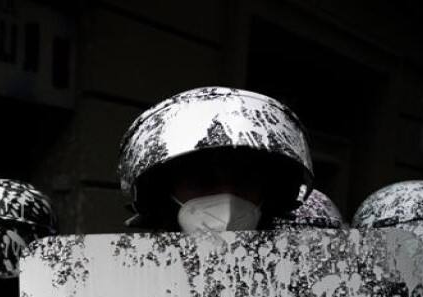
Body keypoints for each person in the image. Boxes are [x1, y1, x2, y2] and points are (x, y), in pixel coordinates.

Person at [118, 87, 314, 233]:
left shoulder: (297, 275)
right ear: (161, 192)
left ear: (271, 193)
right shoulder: (116, 278)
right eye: (202, 182)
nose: (228, 199)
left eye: (244, 182)